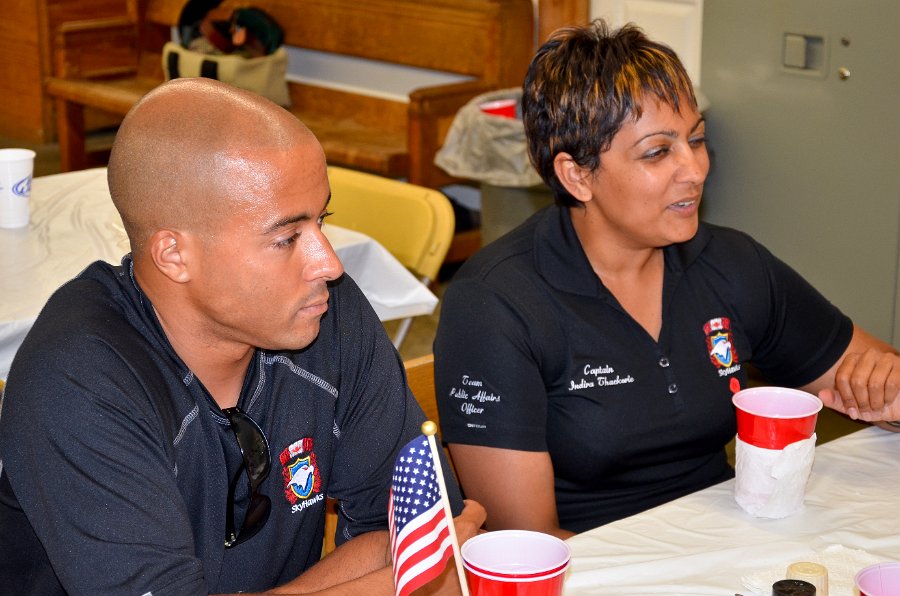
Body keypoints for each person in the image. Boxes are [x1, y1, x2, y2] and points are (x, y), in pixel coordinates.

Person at [0, 78, 484, 595]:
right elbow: (425, 566)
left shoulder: (324, 310)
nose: (328, 263)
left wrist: (398, 571)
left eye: (323, 221)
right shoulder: (77, 379)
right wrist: (391, 582)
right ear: (174, 255)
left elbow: (418, 535)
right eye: (287, 238)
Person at [433, 20, 900, 539]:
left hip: (726, 544)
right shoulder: (495, 303)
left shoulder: (729, 262)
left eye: (696, 140)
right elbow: (528, 548)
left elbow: (877, 379)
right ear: (577, 175)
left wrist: (888, 396)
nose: (695, 170)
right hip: (596, 563)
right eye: (658, 152)